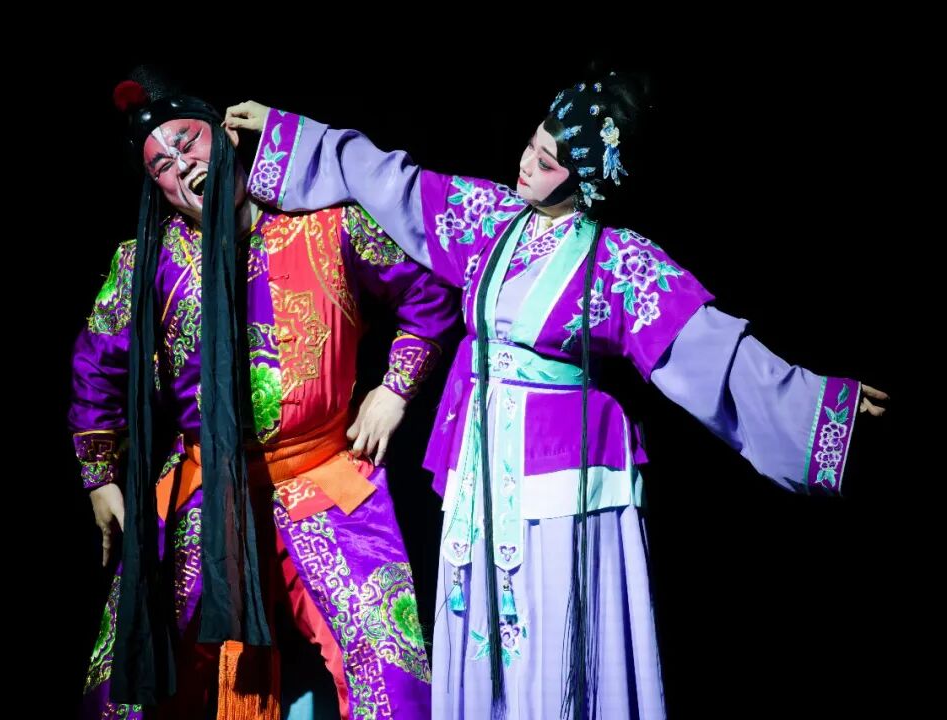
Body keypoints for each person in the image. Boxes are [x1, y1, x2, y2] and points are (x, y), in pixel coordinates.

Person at [223, 73, 889, 719]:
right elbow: (391, 180)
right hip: (482, 468)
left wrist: (817, 405)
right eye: (531, 145)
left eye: (546, 162)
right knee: (480, 627)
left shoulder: (620, 263)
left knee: (552, 634)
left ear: (585, 180)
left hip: (561, 485)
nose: (526, 163)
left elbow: (709, 349)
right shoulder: (488, 218)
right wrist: (290, 132)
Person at [71, 67, 459, 719]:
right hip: (202, 489)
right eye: (161, 165)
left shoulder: (326, 223)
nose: (181, 165)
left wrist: (395, 389)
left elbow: (430, 291)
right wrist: (100, 478)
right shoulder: (146, 263)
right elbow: (95, 367)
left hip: (324, 478)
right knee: (128, 683)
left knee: (395, 683)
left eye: (187, 143)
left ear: (225, 135)